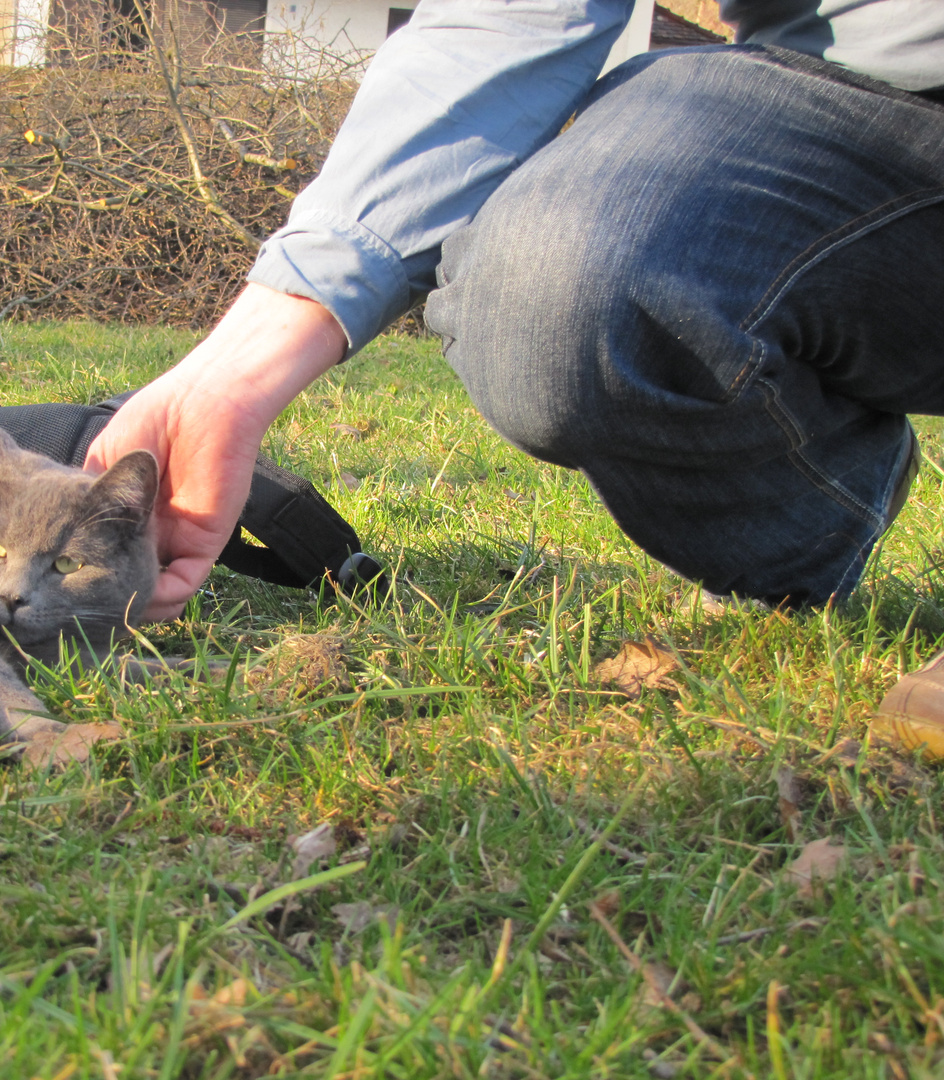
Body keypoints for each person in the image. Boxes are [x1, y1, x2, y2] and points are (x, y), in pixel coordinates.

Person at [85, 1, 944, 737]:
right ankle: (809, 517)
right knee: (549, 279)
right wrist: (229, 378)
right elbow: (506, 18)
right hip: (831, 94)